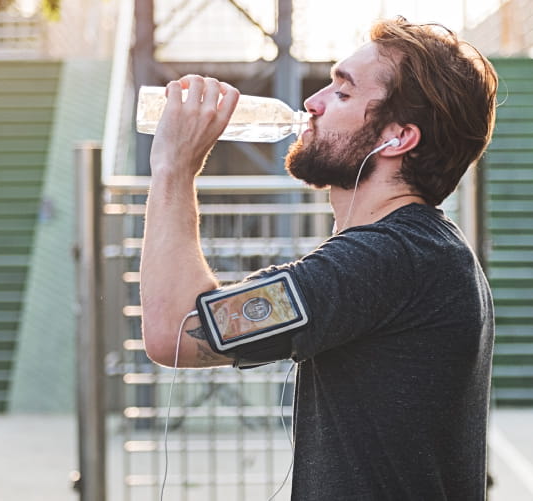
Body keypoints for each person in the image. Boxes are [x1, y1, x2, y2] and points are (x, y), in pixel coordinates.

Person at [139, 16, 498, 500]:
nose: (312, 103)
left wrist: (173, 167)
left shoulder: (387, 259)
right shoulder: (422, 250)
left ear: (397, 138)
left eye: (342, 93)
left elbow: (176, 332)